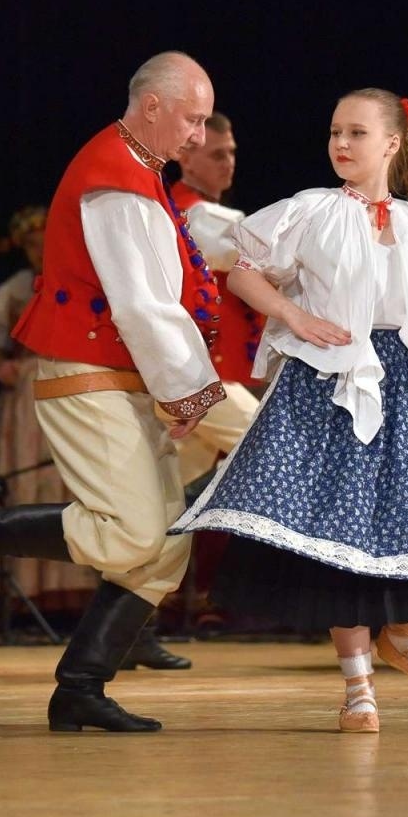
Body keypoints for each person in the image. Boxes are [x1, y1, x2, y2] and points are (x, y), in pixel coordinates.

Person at [172, 89, 408, 733]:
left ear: (392, 144)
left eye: (357, 133)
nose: (341, 143)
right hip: (327, 379)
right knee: (339, 529)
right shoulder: (311, 211)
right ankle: (358, 687)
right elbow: (245, 273)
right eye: (336, 131)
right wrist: (294, 314)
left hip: (406, 383)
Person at [0, 51, 225, 732]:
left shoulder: (142, 172)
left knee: (168, 543)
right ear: (152, 104)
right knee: (135, 533)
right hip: (86, 372)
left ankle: (80, 686)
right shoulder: (116, 178)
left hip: (122, 376)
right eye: (193, 119)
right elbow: (141, 305)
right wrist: (190, 394)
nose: (199, 136)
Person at [160, 111, 263, 652]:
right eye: (217, 153)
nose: (229, 162)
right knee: (268, 442)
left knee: (164, 504)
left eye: (232, 153)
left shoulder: (209, 215)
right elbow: (249, 243)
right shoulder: (192, 215)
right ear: (187, 156)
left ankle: (134, 624)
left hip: (207, 379)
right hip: (200, 379)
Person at [0, 206, 98, 620]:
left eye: (42, 241)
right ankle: (27, 592)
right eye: (29, 243)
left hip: (67, 385)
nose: (36, 249)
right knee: (28, 481)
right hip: (27, 395)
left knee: (66, 482)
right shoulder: (15, 288)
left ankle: (71, 590)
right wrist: (1, 365)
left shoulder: (73, 282)